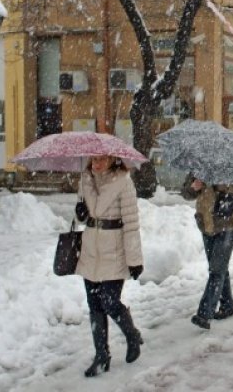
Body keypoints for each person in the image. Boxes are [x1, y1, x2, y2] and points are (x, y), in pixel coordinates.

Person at [75, 155, 144, 377]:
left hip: (114, 249)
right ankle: (101, 356)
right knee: (94, 304)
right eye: (94, 159)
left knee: (110, 301)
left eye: (102, 159)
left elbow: (131, 224)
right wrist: (80, 212)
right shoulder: (85, 179)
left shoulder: (123, 181)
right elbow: (81, 215)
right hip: (91, 249)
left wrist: (134, 260)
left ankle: (131, 334)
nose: (97, 164)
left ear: (113, 159)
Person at [182, 175, 233, 330]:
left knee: (217, 270)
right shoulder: (200, 166)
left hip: (229, 226)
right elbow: (185, 193)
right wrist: (193, 188)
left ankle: (204, 313)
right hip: (206, 225)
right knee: (218, 268)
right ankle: (228, 304)